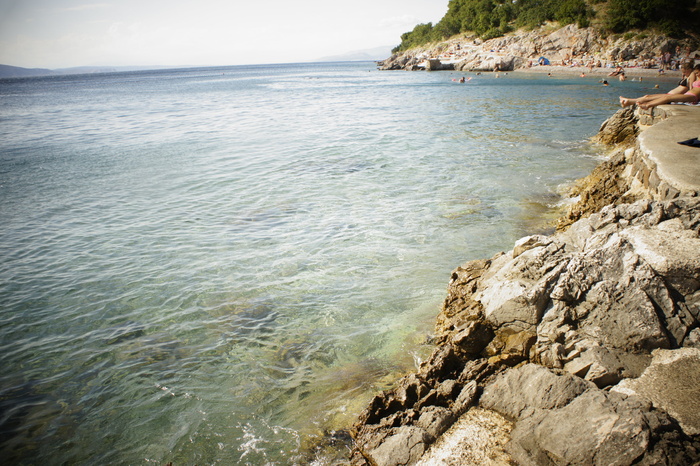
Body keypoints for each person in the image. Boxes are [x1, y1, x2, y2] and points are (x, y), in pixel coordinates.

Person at [619, 84, 700, 109]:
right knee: (648, 96)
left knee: (667, 98)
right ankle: (628, 102)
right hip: (688, 95)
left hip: (693, 97)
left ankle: (647, 105)